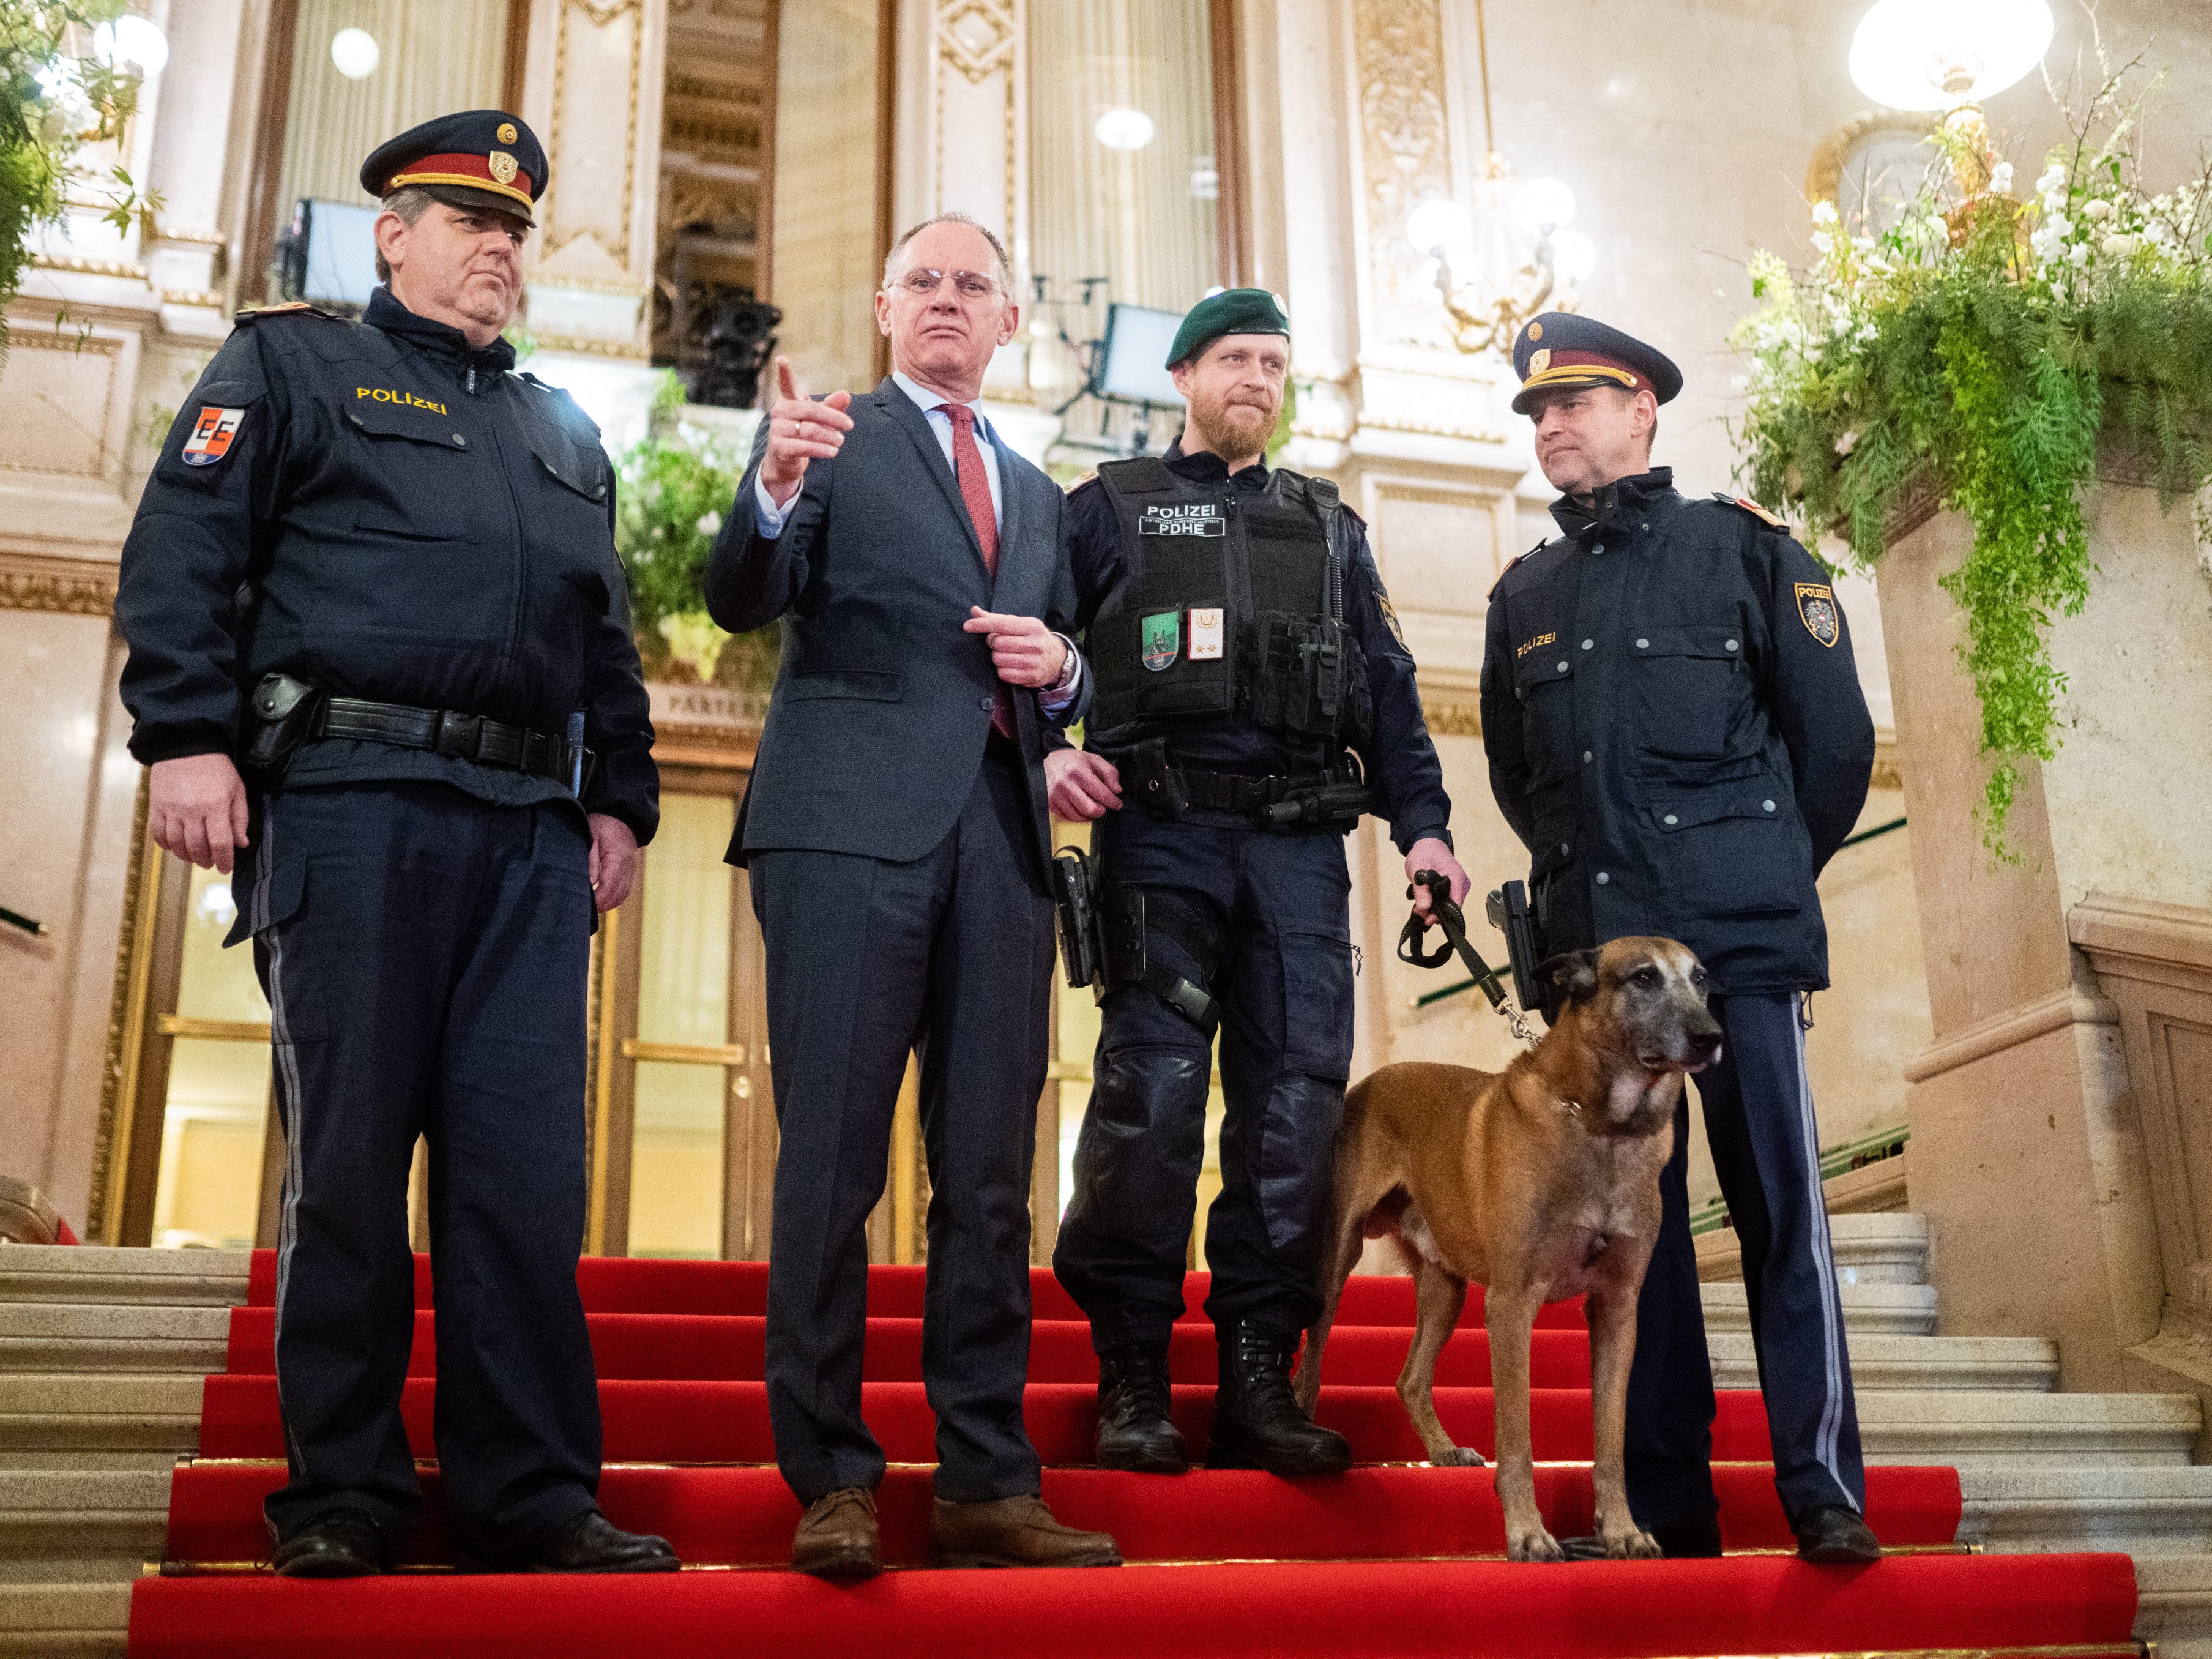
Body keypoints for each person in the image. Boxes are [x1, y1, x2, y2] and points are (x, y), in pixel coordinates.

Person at [113, 113, 674, 1576]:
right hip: (353, 806)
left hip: (528, 840)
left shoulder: (561, 429)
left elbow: (602, 642)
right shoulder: (286, 365)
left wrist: (619, 797)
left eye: (514, 232)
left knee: (520, 1184)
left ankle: (530, 1494)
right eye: (464, 221)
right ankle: (345, 1497)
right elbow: (181, 553)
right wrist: (185, 735)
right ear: (394, 235)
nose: (496, 247)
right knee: (349, 1170)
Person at [704, 212, 1119, 1577]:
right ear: (886, 308)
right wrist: (766, 487)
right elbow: (741, 596)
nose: (947, 302)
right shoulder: (829, 437)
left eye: (972, 286)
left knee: (991, 1181)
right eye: (923, 282)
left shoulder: (1044, 495)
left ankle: (986, 1479)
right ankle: (829, 1477)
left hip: (999, 850)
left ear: (1009, 323)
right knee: (831, 1163)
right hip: (842, 837)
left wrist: (1060, 671)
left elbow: (1068, 680)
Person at [1478, 311, 1882, 1564]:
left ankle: (1819, 1489)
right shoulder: (1523, 593)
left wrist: (1749, 883)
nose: (1552, 425)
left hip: (1735, 959)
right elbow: (1516, 776)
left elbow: (1833, 747)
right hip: (1600, 970)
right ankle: (1661, 1498)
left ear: (1642, 409)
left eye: (1576, 404)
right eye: (1537, 412)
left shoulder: (1743, 552)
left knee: (1776, 1212)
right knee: (1620, 1238)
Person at [1046, 289, 1468, 1478]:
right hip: (1161, 842)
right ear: (1181, 376)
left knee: (1292, 1119)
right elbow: (1037, 652)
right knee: (1148, 1107)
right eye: (1234, 359)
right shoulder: (1103, 511)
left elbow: (1387, 688)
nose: (1256, 380)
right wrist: (1049, 747)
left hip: (1296, 857)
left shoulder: (1328, 524)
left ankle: (1254, 1378)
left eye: (1275, 364)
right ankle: (1131, 1373)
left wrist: (1424, 831)